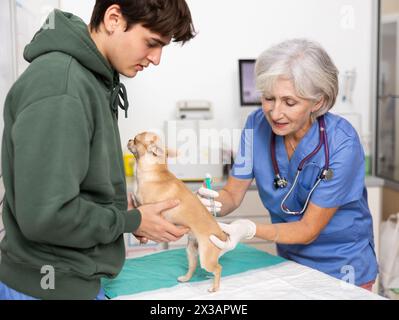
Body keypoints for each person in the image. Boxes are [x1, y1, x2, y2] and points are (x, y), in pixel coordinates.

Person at [0, 0, 195, 300]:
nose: (156, 59)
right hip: (46, 288)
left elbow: (73, 188)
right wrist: (131, 221)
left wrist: (124, 212)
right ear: (114, 19)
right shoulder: (61, 85)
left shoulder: (93, 79)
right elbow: (47, 216)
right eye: (152, 43)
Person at [198, 39, 378, 291]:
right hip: (289, 264)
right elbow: (232, 194)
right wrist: (209, 202)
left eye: (289, 102)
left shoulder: (342, 143)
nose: (275, 112)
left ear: (317, 102)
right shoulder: (256, 124)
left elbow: (308, 230)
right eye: (269, 98)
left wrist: (249, 229)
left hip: (344, 267)